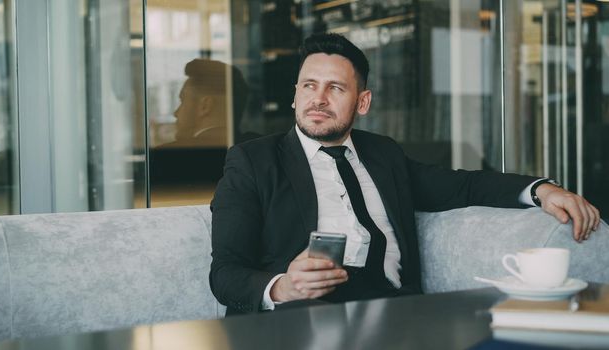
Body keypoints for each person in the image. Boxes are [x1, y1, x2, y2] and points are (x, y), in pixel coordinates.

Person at [209, 33, 600, 315]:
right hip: (301, 318)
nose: (319, 99)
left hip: (396, 313)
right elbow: (225, 273)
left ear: (363, 102)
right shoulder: (253, 161)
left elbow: (462, 185)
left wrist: (542, 190)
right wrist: (284, 287)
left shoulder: (383, 155)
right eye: (309, 86)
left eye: (335, 88)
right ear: (295, 94)